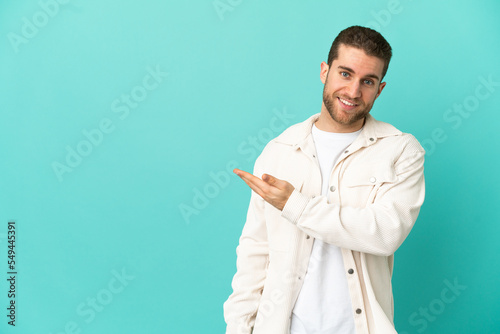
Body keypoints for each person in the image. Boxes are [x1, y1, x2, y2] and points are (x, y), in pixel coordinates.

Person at [223, 25, 425, 334]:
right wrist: (237, 328)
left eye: (367, 81)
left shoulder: (400, 150)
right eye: (345, 74)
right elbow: (255, 252)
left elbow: (385, 234)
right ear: (324, 71)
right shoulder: (280, 151)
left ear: (380, 89)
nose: (354, 91)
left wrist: (297, 206)